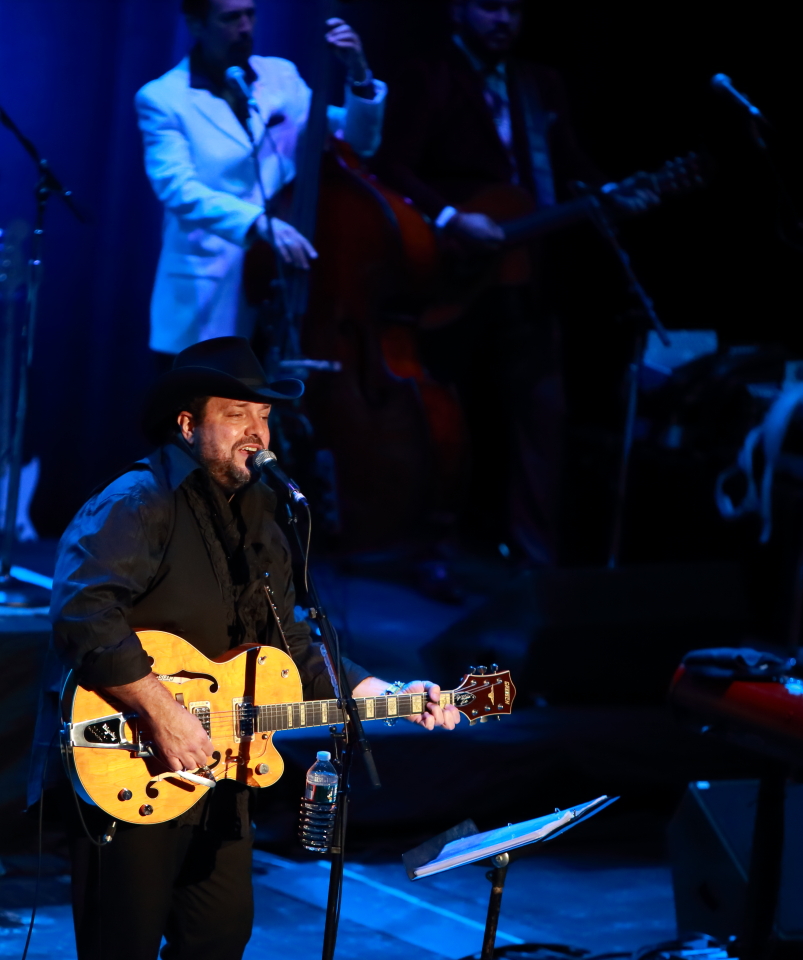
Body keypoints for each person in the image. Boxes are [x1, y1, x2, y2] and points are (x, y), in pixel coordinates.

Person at [51, 336, 460, 960]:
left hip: (221, 769)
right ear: (187, 425)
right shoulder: (139, 500)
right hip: (132, 759)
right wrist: (163, 712)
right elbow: (83, 612)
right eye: (236, 413)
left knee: (220, 937)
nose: (257, 431)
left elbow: (289, 640)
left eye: (264, 416)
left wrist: (388, 693)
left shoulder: (263, 509)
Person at [374, 0, 657, 566]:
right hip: (450, 275)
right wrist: (452, 219)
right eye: (489, 7)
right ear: (457, 10)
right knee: (446, 420)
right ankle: (431, 545)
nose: (503, 20)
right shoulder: (427, 75)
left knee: (542, 415)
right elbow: (391, 166)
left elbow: (569, 164)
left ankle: (534, 559)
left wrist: (615, 194)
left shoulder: (539, 84)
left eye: (513, 9)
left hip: (528, 277)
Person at [136, 0, 387, 359]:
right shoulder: (163, 98)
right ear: (196, 25)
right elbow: (177, 189)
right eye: (230, 18)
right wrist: (257, 223)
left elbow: (358, 141)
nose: (244, 27)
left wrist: (359, 75)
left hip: (280, 282)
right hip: (209, 293)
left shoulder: (282, 77)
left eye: (250, 14)